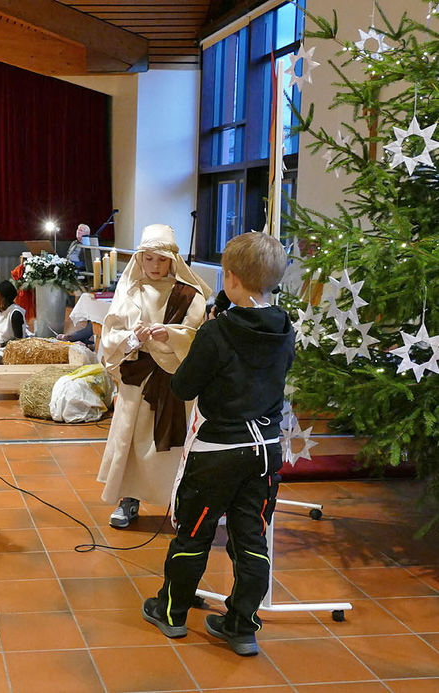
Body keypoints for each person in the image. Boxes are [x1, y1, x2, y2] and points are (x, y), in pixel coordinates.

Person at [141, 232, 294, 658]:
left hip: (217, 453)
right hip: (265, 449)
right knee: (252, 540)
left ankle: (171, 611)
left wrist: (204, 338)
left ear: (230, 279)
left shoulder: (218, 331)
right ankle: (242, 625)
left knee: (194, 533)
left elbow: (185, 384)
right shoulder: (284, 327)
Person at [97, 224, 211, 528]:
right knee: (132, 440)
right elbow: (111, 334)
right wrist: (133, 338)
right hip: (139, 377)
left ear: (173, 260)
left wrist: (169, 335)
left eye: (161, 260)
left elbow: (196, 336)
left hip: (174, 377)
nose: (155, 266)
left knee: (174, 444)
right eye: (149, 259)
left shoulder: (190, 294)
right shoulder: (130, 290)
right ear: (139, 259)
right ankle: (129, 498)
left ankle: (179, 502)